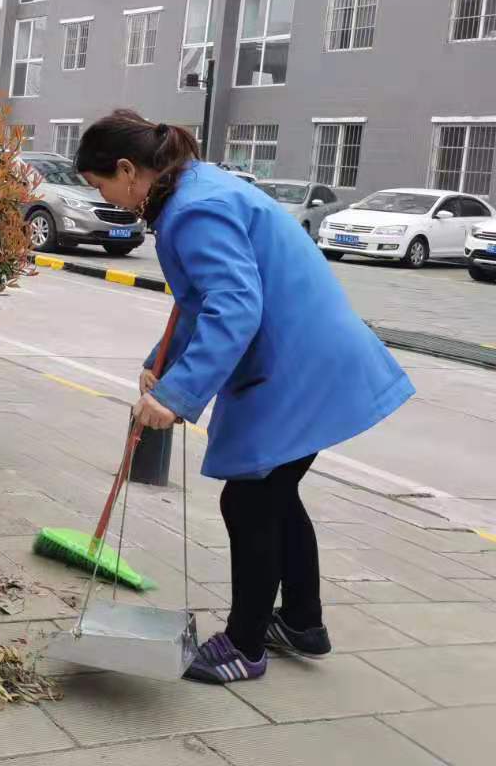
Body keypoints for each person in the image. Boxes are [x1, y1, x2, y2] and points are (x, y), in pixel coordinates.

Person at [74, 110, 412, 685]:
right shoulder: (197, 189)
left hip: (298, 365)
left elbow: (233, 305)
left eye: (100, 184)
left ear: (129, 170)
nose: (106, 197)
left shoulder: (194, 209)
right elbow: (203, 302)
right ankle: (303, 622)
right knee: (277, 495)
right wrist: (163, 366)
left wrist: (178, 394)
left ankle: (245, 644)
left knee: (250, 502)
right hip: (308, 358)